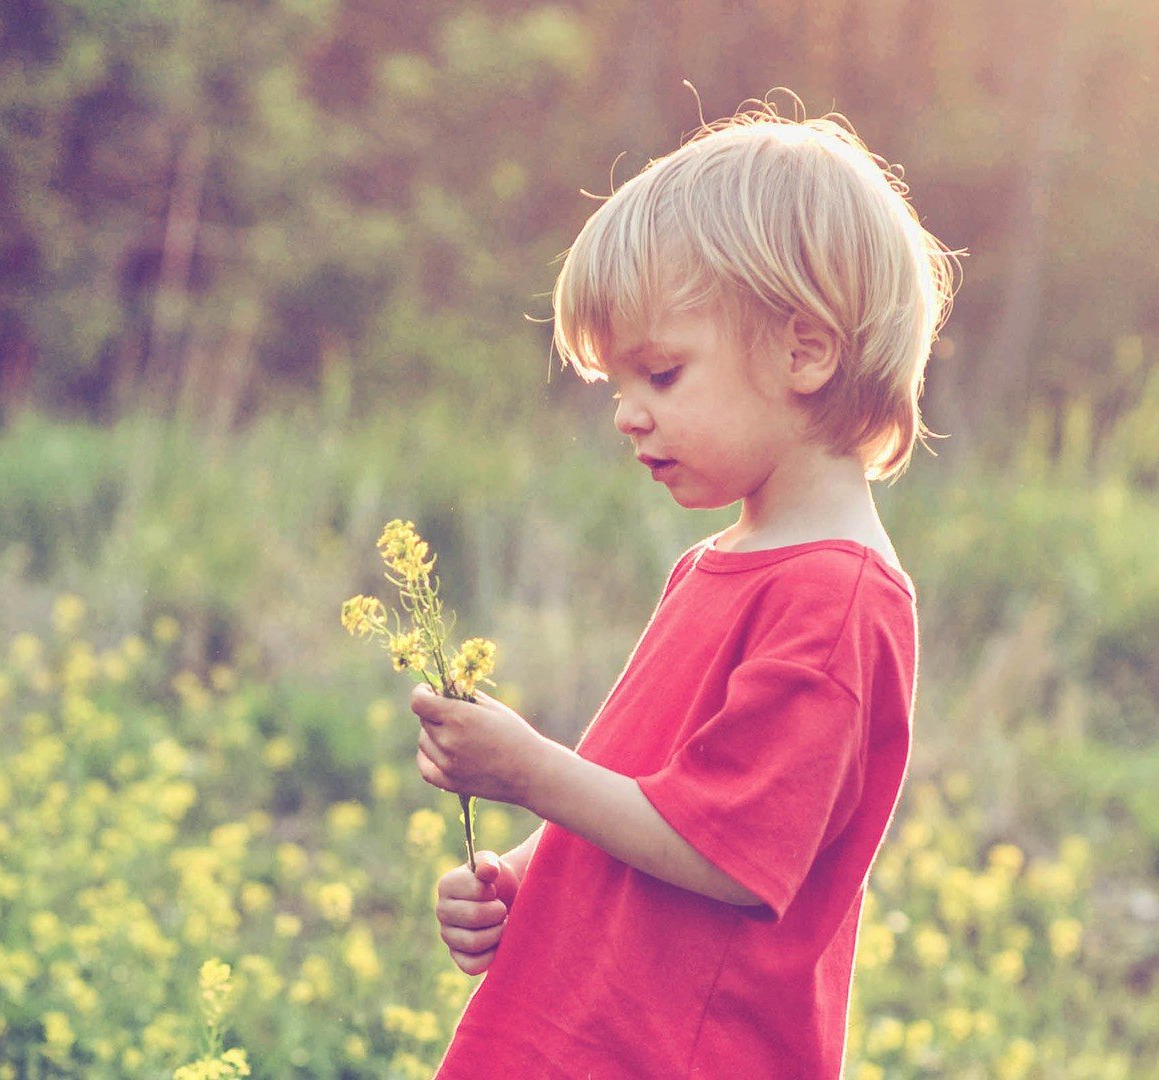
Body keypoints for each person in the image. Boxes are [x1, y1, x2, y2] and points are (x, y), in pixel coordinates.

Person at [408, 96, 958, 1078]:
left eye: (659, 374)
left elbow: (728, 856)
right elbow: (653, 788)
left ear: (804, 350)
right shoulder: (717, 566)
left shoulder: (835, 600)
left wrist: (529, 769)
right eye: (616, 385)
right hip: (578, 1031)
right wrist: (525, 876)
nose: (626, 415)